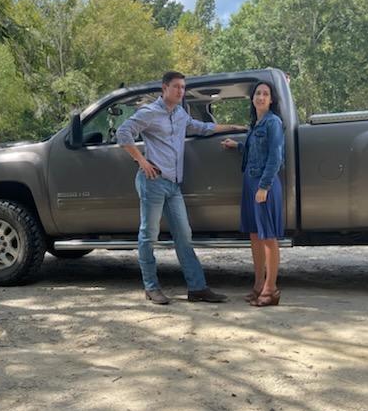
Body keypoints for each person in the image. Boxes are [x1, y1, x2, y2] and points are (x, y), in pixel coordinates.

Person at [116, 71, 245, 305]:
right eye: (176, 87)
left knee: (184, 236)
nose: (180, 91)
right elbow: (123, 132)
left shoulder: (180, 114)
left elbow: (202, 127)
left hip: (174, 186)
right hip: (153, 182)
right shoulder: (149, 112)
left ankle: (197, 288)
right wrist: (141, 160)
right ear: (164, 88)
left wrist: (234, 127)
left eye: (183, 87)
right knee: (148, 235)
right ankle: (151, 287)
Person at [221, 81, 285, 307]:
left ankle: (271, 289)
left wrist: (264, 187)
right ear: (253, 98)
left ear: (271, 100)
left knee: (268, 236)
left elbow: (275, 157)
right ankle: (258, 285)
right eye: (258, 93)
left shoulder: (273, 122)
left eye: (265, 94)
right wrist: (236, 146)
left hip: (263, 184)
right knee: (255, 236)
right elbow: (254, 150)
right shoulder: (256, 123)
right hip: (250, 182)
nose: (260, 97)